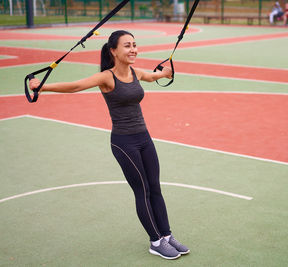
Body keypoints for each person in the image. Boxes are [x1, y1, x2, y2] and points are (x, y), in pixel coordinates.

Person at [29, 30, 189, 260]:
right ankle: (155, 241)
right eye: (127, 45)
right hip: (124, 142)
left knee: (155, 187)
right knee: (142, 190)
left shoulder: (135, 72)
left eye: (134, 44)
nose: (133, 49)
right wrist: (42, 87)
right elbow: (75, 86)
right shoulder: (106, 77)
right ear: (113, 50)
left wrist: (164, 73)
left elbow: (151, 76)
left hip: (145, 138)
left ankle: (167, 235)